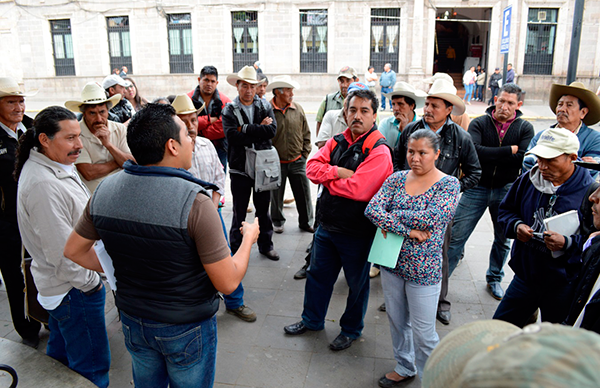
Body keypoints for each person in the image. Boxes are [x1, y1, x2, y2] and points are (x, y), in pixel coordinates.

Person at [63, 103, 260, 388]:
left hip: (132, 320)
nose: (192, 139)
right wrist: (248, 239)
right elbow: (228, 282)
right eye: (186, 135)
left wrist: (123, 265)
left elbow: (74, 250)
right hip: (185, 327)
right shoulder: (195, 202)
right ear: (172, 146)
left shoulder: (105, 191)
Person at [283, 88, 393, 351]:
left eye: (364, 111)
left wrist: (328, 181)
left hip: (358, 232)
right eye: (352, 110)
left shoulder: (379, 150)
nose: (357, 116)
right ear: (345, 113)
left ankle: (351, 330)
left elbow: (360, 189)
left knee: (357, 286)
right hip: (327, 226)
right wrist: (336, 171)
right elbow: (311, 168)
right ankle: (311, 320)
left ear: (374, 115)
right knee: (317, 276)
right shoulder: (336, 141)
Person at [15, 106, 110, 387]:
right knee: (91, 370)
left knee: (60, 361)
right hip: (73, 290)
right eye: (70, 138)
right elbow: (62, 253)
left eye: (78, 136)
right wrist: (91, 284)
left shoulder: (55, 166)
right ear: (44, 139)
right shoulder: (42, 184)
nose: (79, 144)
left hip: (66, 288)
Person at [365, 129, 460, 385]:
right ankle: (405, 366)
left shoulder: (449, 184)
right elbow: (372, 209)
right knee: (397, 322)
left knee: (424, 332)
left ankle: (434, 377)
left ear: (437, 154)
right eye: (411, 152)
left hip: (424, 270)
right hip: (390, 263)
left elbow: (433, 218)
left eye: (422, 153)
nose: (415, 158)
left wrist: (393, 214)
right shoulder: (396, 179)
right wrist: (408, 230)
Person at [395, 78, 481, 325]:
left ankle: (440, 302)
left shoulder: (461, 137)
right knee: (401, 249)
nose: (428, 109)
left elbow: (475, 173)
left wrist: (450, 192)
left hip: (439, 211)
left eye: (435, 105)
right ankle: (400, 294)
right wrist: (403, 187)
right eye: (428, 103)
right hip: (407, 205)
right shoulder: (411, 130)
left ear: (448, 109)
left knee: (439, 254)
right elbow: (397, 160)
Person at [493, 127, 595, 327]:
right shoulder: (528, 180)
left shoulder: (590, 192)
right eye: (539, 158)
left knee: (555, 342)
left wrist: (567, 243)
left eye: (550, 160)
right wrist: (517, 225)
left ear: (572, 157)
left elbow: (593, 241)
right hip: (525, 277)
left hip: (562, 283)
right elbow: (505, 211)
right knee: (499, 330)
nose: (542, 166)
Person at [173, 94, 256, 323]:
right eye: (183, 121)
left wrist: (212, 204)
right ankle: (196, 306)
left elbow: (220, 177)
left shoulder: (207, 144)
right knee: (190, 262)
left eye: (192, 119)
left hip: (212, 212)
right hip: (182, 219)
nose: (190, 126)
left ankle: (234, 302)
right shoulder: (170, 153)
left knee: (224, 256)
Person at [447, 84, 535, 301]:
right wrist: (509, 150)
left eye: (510, 103)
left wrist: (498, 153)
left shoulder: (524, 128)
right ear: (495, 99)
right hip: (476, 186)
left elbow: (522, 157)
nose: (504, 106)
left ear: (518, 105)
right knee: (456, 236)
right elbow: (475, 152)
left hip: (507, 189)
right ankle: (441, 281)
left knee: (503, 238)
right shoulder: (479, 123)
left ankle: (494, 277)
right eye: (502, 101)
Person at [222, 65, 280, 261]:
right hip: (239, 168)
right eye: (244, 86)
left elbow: (271, 132)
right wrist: (257, 129)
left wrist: (244, 129)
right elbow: (232, 136)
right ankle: (236, 248)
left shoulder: (264, 106)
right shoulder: (229, 109)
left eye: (252, 86)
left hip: (262, 166)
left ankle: (266, 245)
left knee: (263, 209)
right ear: (237, 86)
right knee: (239, 211)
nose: (248, 90)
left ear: (257, 87)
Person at [0, 77, 41, 348]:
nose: (19, 106)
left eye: (21, 100)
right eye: (11, 101)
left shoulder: (31, 127)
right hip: (6, 221)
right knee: (15, 275)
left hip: (36, 212)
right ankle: (26, 328)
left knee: (38, 267)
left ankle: (43, 315)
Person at [65, 82, 134, 193]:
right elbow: (88, 173)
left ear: (108, 111)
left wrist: (108, 145)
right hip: (93, 196)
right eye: (92, 113)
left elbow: (132, 163)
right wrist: (119, 161)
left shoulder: (120, 129)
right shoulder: (76, 134)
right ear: (84, 114)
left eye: (102, 112)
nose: (98, 118)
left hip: (122, 191)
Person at [523, 82, 600, 178]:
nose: (562, 109)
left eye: (569, 105)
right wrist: (574, 164)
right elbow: (528, 163)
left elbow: (591, 171)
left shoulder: (594, 139)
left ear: (583, 112)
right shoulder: (542, 135)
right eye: (560, 104)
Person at [267, 76, 313, 234]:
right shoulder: (267, 110)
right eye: (288, 90)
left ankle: (306, 222)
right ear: (277, 92)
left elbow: (306, 132)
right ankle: (277, 221)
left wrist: (304, 154)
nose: (291, 93)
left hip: (297, 160)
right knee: (276, 194)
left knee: (303, 193)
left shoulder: (297, 108)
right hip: (275, 162)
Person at [188, 65, 231, 171]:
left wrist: (201, 131)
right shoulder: (188, 99)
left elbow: (224, 126)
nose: (209, 84)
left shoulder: (225, 101)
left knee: (219, 179)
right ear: (199, 80)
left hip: (220, 148)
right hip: (193, 146)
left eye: (212, 81)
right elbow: (186, 123)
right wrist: (209, 120)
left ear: (217, 83)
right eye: (206, 80)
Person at [379, 82, 427, 149]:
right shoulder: (385, 124)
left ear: (412, 106)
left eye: (400, 104)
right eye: (393, 104)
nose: (396, 108)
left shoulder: (422, 126)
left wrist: (405, 130)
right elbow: (380, 150)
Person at [315, 66, 358, 134]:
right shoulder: (328, 100)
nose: (344, 85)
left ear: (356, 81)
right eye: (341, 81)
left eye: (348, 80)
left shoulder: (364, 101)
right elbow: (319, 124)